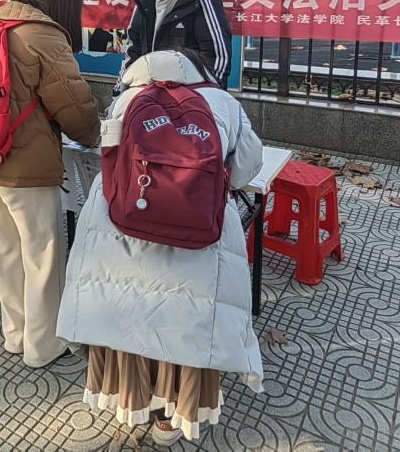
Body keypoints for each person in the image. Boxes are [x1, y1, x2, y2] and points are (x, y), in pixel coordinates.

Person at [57, 49, 265, 445]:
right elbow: (244, 171)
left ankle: (133, 403)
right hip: (199, 239)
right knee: (189, 327)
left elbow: (108, 156)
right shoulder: (224, 104)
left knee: (128, 319)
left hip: (123, 230)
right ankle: (173, 419)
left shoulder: (126, 100)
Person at [0, 0, 100, 368]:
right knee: (42, 255)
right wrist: (94, 134)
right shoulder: (44, 35)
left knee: (5, 253)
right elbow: (74, 107)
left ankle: (15, 334)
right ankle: (44, 345)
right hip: (24, 168)